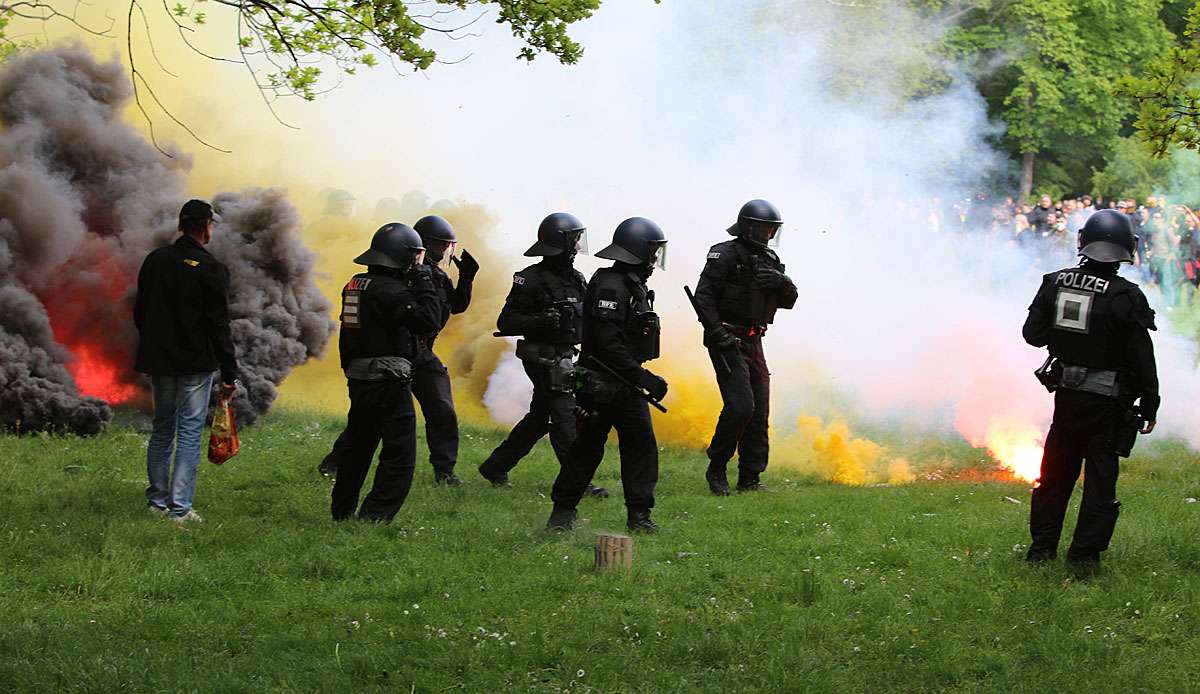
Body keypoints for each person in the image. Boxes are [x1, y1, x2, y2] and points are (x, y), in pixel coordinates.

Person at [1022, 209, 1159, 571]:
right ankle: (1083, 558)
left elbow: (1032, 336)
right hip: (1109, 404)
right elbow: (1143, 357)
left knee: (1054, 476)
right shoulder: (1126, 295)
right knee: (1100, 481)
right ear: (1126, 249)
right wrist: (1150, 403)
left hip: (1066, 397)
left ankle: (1041, 551)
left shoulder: (1054, 282)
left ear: (1083, 241)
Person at [317, 215, 479, 486]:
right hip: (397, 351)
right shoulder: (396, 275)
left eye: (447, 246)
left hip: (421, 351)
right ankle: (335, 462)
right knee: (374, 415)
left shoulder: (434, 275)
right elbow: (424, 318)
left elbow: (454, 306)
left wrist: (467, 278)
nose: (444, 252)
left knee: (442, 409)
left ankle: (445, 472)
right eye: (440, 246)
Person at [546, 217, 669, 533]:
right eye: (652, 252)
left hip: (624, 384)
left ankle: (639, 517)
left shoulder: (630, 284)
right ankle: (561, 514)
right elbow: (608, 344)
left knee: (641, 448)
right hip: (602, 385)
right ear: (638, 251)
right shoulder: (611, 286)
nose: (655, 259)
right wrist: (643, 378)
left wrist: (638, 377)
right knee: (586, 451)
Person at [477, 213, 608, 497]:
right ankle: (578, 482)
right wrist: (541, 321)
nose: (576, 246)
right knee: (564, 416)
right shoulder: (531, 279)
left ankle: (495, 466)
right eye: (573, 240)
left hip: (565, 357)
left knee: (538, 419)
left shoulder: (576, 279)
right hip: (541, 359)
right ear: (559, 243)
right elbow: (506, 322)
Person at [134, 199, 239, 523]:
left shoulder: (155, 260)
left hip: (160, 360)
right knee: (190, 431)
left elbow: (140, 312)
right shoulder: (211, 269)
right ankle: (179, 509)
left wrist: (155, 344)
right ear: (207, 226)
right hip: (195, 364)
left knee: (163, 428)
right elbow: (219, 324)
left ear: (181, 225)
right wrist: (229, 369)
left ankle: (157, 501)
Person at [330, 223, 441, 522]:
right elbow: (430, 320)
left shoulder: (355, 283)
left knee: (358, 446)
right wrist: (423, 279)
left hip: (359, 376)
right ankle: (374, 516)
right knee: (400, 454)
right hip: (388, 379)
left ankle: (341, 511)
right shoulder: (392, 291)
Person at [691, 199, 797, 495]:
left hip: (754, 340)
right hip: (727, 338)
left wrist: (781, 282)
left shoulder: (771, 261)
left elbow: (790, 300)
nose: (769, 235)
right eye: (765, 229)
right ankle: (717, 467)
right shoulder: (724, 254)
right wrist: (715, 331)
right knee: (741, 406)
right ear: (749, 226)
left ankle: (750, 478)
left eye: (773, 230)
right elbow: (704, 298)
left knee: (759, 410)